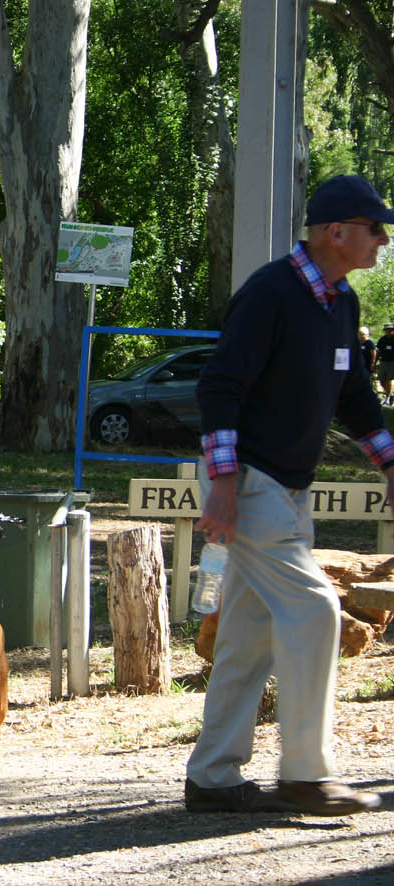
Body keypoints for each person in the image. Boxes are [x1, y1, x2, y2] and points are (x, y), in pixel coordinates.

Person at [187, 174, 394, 817]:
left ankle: (213, 779)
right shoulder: (271, 293)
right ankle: (307, 775)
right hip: (249, 484)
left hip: (285, 489)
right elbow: (219, 387)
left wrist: (390, 462)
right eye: (374, 229)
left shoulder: (341, 303)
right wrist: (224, 486)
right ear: (336, 232)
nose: (383, 241)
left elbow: (354, 396)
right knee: (316, 612)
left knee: (248, 636)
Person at [376, 321, 394, 405]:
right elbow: (378, 351)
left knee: (389, 380)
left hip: (392, 362)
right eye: (387, 330)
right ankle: (390, 393)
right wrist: (374, 362)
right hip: (383, 362)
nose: (388, 331)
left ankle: (387, 398)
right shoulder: (382, 339)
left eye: (390, 329)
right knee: (381, 380)